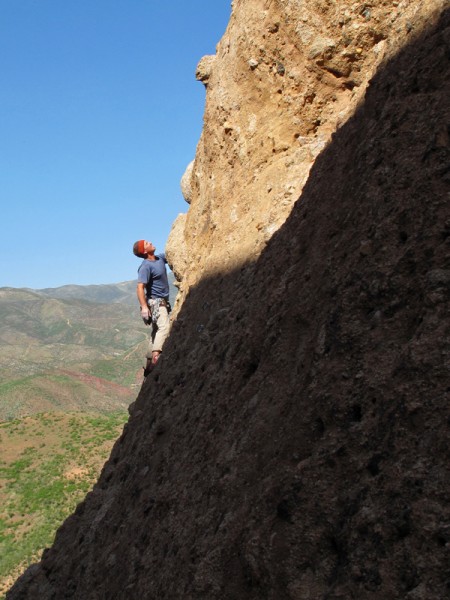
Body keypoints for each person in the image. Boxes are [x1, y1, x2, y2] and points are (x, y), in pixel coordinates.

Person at [133, 239, 171, 376]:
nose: (151, 242)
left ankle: (148, 366)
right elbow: (140, 287)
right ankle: (156, 361)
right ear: (144, 251)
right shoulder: (145, 266)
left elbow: (172, 254)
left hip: (162, 301)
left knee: (155, 332)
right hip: (156, 303)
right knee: (164, 327)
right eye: (147, 243)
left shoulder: (159, 258)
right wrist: (144, 307)